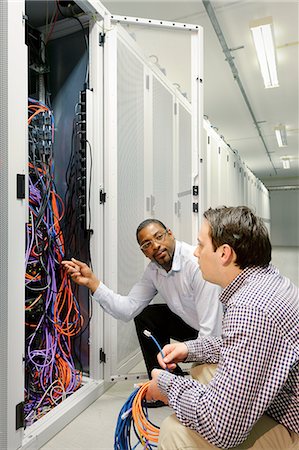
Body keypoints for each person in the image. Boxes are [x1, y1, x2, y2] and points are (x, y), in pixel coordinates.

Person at [146, 206, 299, 448]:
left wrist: (166, 387)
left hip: (292, 424)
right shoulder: (265, 281)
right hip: (282, 399)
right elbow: (242, 344)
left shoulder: (249, 309)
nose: (196, 253)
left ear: (224, 253)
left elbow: (222, 429)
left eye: (201, 245)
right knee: (201, 369)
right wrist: (189, 349)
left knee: (174, 431)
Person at [62, 219, 223, 398]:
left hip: (219, 336)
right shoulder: (153, 271)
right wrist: (93, 283)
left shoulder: (195, 264)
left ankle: (177, 389)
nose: (155, 246)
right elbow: (127, 309)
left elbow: (211, 332)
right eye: (147, 244)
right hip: (194, 326)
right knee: (146, 316)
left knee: (203, 375)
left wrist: (199, 374)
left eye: (159, 237)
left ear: (170, 234)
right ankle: (165, 383)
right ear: (144, 252)